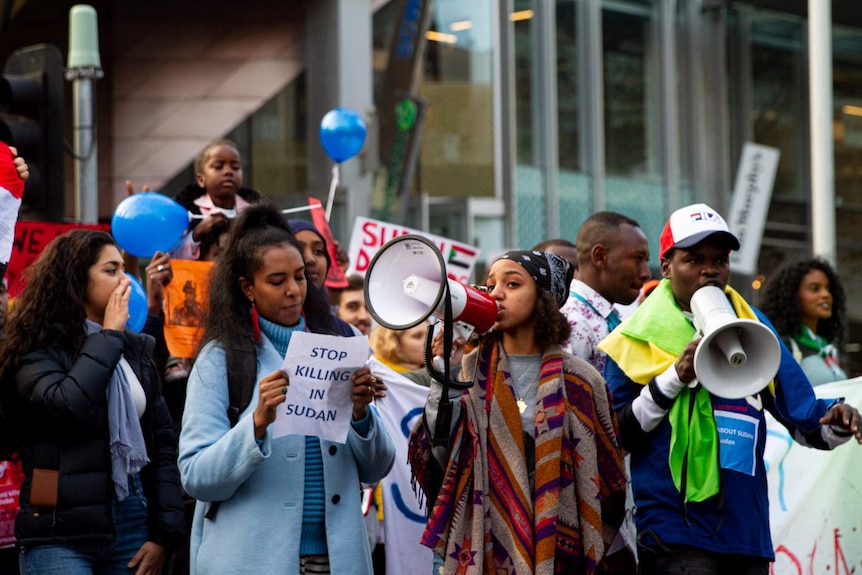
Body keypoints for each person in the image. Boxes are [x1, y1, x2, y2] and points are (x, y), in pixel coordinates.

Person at [599, 203, 862, 575]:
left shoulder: (754, 326)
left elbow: (804, 416)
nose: (710, 270)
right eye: (694, 259)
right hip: (674, 532)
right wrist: (674, 377)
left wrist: (836, 418)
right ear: (667, 265)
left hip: (746, 535)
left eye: (719, 260)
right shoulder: (635, 337)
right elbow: (618, 434)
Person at [178, 202, 396, 574]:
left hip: (338, 560)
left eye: (299, 276)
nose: (294, 290)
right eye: (277, 282)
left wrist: (360, 415)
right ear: (247, 287)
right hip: (251, 560)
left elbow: (378, 467)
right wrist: (257, 423)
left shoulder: (337, 346)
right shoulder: (221, 357)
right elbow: (196, 476)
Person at [409, 250, 627, 574]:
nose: (496, 293)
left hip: (559, 551)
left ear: (544, 298)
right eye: (490, 284)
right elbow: (440, 455)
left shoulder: (582, 381)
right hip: (481, 548)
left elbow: (608, 480)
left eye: (512, 284)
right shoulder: (465, 374)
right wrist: (444, 371)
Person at [0, 229, 185, 574]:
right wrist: (109, 335)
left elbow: (161, 446)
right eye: (110, 270)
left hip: (131, 520)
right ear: (77, 281)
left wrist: (164, 535)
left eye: (124, 270)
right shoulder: (37, 348)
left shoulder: (136, 350)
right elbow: (68, 403)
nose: (124, 281)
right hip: (58, 529)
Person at [561, 211, 651, 375]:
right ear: (600, 257)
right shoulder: (573, 323)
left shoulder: (605, 317)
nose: (646, 273)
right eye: (637, 259)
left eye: (646, 261)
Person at [759, 257, 849, 385]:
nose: (826, 294)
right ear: (792, 295)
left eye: (828, 288)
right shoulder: (782, 347)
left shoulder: (828, 348)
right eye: (815, 288)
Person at [171, 139, 263, 261]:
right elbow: (174, 256)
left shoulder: (255, 210)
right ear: (201, 179)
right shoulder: (188, 212)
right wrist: (196, 234)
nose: (228, 171)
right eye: (218, 166)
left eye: (235, 167)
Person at [288, 219, 360, 337]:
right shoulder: (255, 333)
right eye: (298, 249)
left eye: (318, 251)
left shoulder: (349, 334)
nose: (310, 259)